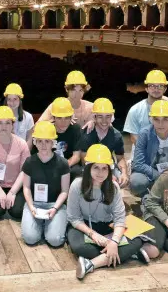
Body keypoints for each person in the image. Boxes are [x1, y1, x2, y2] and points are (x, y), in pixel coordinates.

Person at [68, 145, 153, 280]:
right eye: (96, 167)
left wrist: (114, 241)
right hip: (85, 227)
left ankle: (91, 264)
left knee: (136, 240)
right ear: (89, 167)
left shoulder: (113, 188)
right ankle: (127, 254)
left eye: (104, 168)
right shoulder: (77, 185)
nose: (100, 172)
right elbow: (73, 218)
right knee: (79, 247)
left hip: (108, 227)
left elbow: (120, 219)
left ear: (109, 170)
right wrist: (93, 234)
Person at [21, 121, 70, 247]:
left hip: (55, 205)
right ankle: (41, 225)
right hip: (34, 205)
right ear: (35, 142)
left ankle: (50, 225)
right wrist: (31, 207)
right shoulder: (29, 162)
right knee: (30, 238)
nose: (43, 145)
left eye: (47, 141)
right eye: (40, 141)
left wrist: (55, 208)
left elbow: (65, 191)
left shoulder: (63, 163)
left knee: (55, 240)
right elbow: (26, 187)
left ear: (53, 142)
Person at [130, 100, 168, 197]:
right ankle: (147, 193)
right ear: (151, 120)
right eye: (156, 119)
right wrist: (158, 176)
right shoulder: (144, 134)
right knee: (136, 182)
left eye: (165, 119)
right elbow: (138, 163)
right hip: (149, 173)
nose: (160, 124)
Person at [0, 106, 30, 221]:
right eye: (0, 123)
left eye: (7, 123)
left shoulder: (22, 144)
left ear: (13, 125)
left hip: (16, 184)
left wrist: (13, 192)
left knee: (17, 212)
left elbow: (24, 171)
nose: (4, 127)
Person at [123, 70, 168, 145]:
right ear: (146, 89)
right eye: (152, 86)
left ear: (165, 89)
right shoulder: (135, 110)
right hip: (143, 154)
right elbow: (134, 137)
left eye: (160, 86)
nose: (156, 89)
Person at [78, 98, 128, 186]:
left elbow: (120, 158)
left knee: (121, 181)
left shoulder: (116, 135)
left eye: (108, 116)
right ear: (94, 117)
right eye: (100, 116)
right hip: (90, 167)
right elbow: (84, 161)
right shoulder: (87, 133)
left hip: (108, 166)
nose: (104, 121)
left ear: (112, 117)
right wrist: (106, 176)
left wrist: (124, 173)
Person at [33, 97, 83, 173]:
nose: (63, 122)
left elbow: (76, 156)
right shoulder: (46, 129)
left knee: (76, 171)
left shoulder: (75, 129)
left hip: (68, 165)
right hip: (47, 163)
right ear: (53, 118)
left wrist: (64, 165)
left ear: (71, 117)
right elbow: (36, 155)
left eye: (66, 118)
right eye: (59, 118)